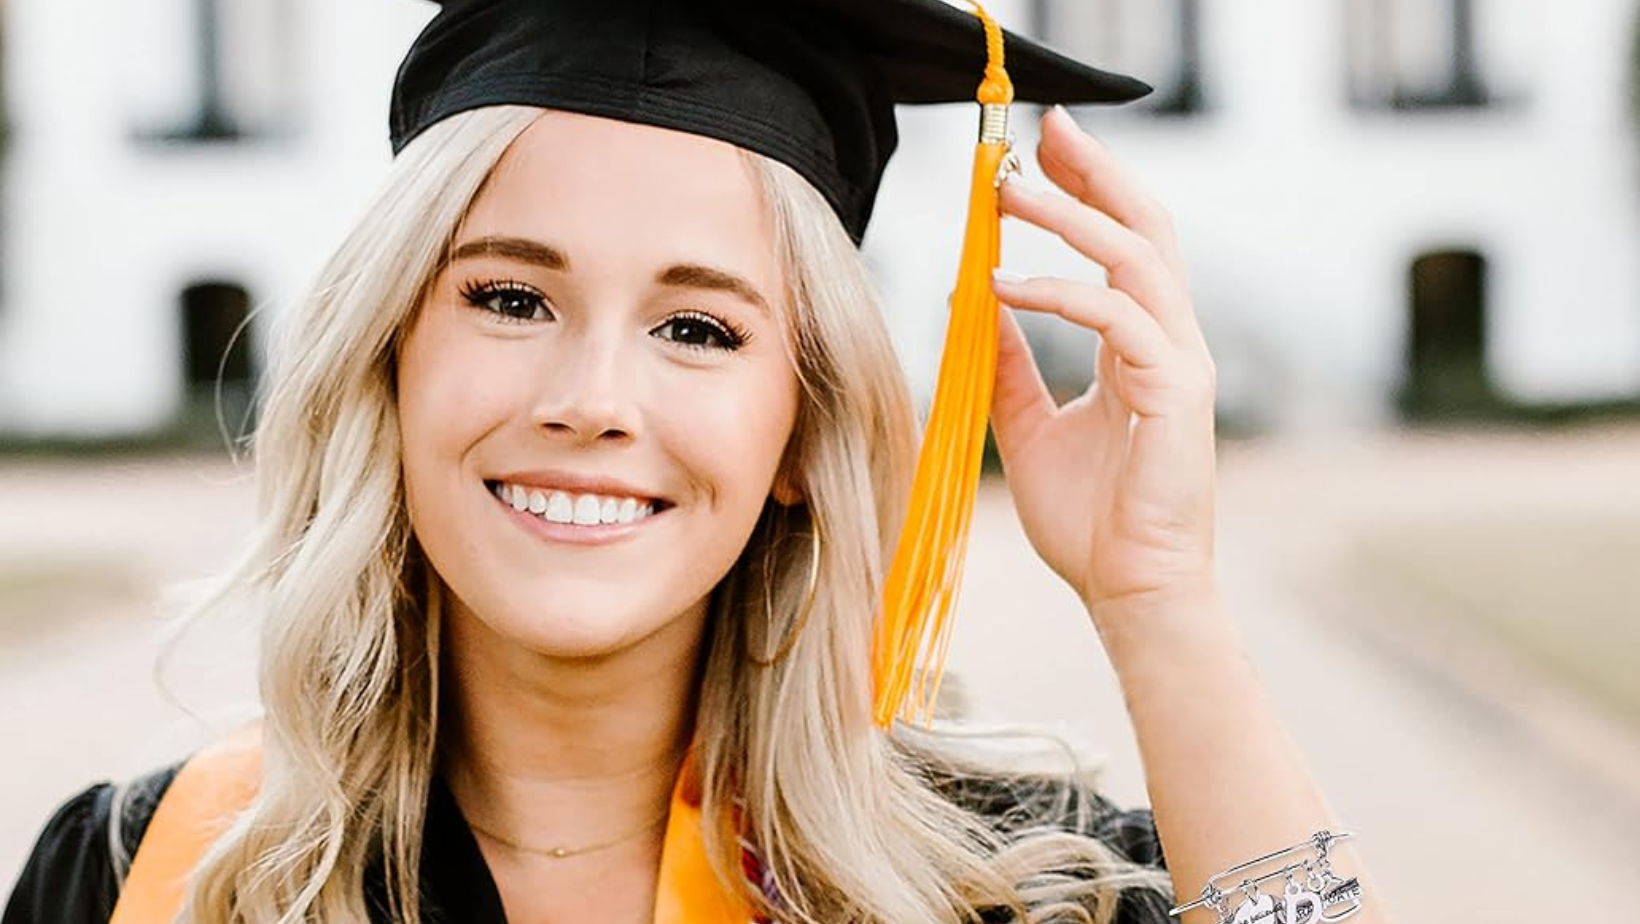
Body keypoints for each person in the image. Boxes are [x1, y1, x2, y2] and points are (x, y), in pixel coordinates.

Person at [4, 1, 1385, 923]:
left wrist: (1161, 604)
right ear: (388, 359)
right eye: (509, 298)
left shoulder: (1006, 883)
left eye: (698, 327)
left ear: (799, 433)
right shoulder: (158, 876)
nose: (594, 400)